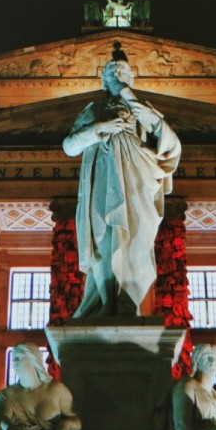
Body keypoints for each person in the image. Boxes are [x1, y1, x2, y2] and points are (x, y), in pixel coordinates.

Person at [63, 43, 181, 318]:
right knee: (105, 240)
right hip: (104, 184)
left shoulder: (144, 111)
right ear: (104, 81)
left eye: (122, 74)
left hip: (138, 183)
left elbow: (172, 146)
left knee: (137, 240)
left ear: (130, 80)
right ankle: (106, 304)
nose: (117, 77)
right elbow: (69, 146)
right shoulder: (94, 111)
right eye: (111, 74)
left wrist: (131, 101)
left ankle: (127, 304)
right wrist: (100, 128)